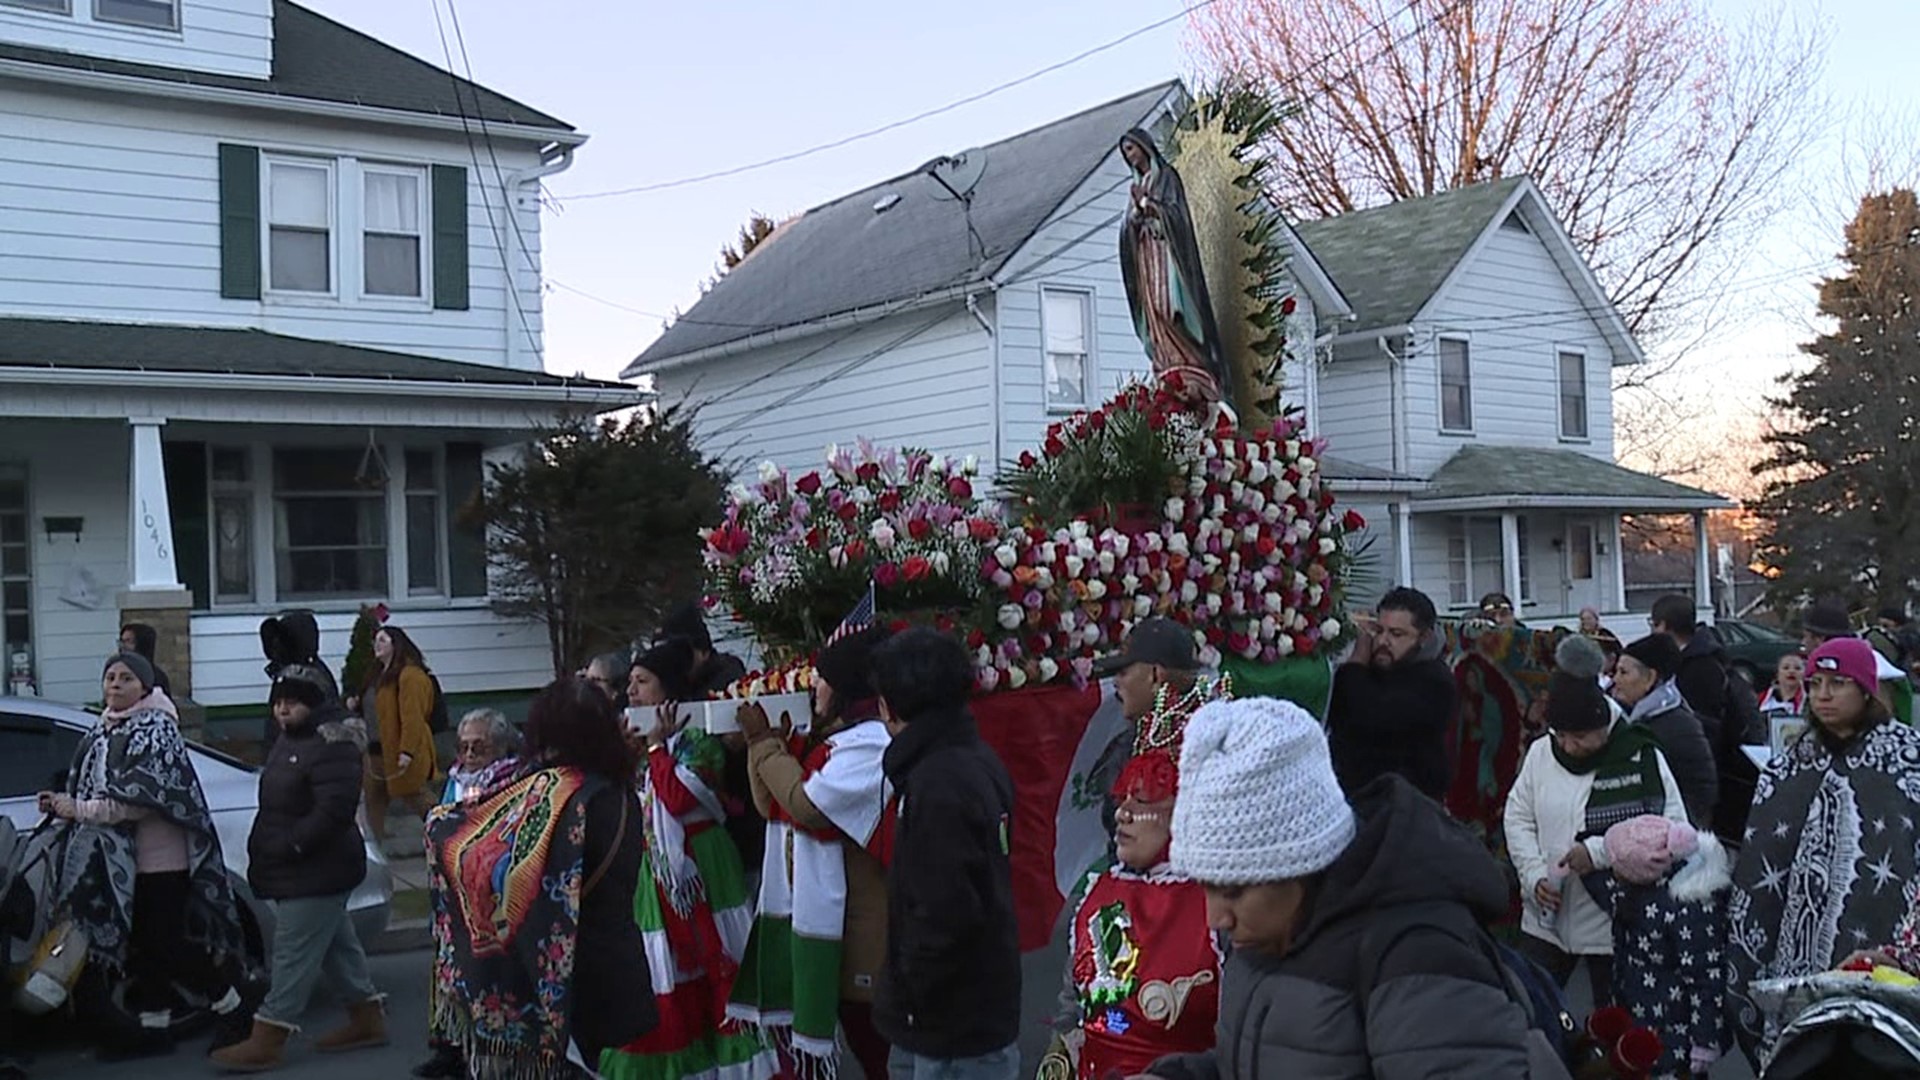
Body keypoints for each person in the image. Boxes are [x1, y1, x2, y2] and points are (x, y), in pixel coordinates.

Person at [1143, 696, 1536, 1079]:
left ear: (1299, 862)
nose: (1215, 918)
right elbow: (1274, 1056)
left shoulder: (1419, 951)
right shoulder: (1269, 928)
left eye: (1233, 891)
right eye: (1206, 888)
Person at [426, 678, 655, 1077]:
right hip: (602, 978)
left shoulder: (527, 793)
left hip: (519, 987)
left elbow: (451, 826)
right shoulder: (609, 795)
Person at [40, 653, 249, 1059]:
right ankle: (153, 1033)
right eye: (110, 677)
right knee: (144, 950)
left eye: (126, 678)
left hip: (161, 860)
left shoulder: (155, 730)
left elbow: (141, 800)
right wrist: (62, 803)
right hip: (121, 862)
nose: (115, 685)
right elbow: (91, 784)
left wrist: (77, 809)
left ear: (146, 687)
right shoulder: (104, 727)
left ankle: (234, 1009)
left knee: (167, 946)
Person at [1727, 636, 1920, 1063]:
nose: (1823, 695)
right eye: (1814, 684)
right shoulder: (1789, 764)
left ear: (1867, 690)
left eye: (1838, 683)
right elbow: (1762, 859)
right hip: (1797, 958)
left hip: (1884, 951)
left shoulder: (1909, 760)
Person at [599, 639, 774, 1080]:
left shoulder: (698, 737)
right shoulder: (637, 742)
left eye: (642, 683)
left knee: (719, 960)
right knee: (666, 970)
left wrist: (658, 751)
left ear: (668, 691)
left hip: (704, 865)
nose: (632, 694)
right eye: (630, 684)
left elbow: (679, 797)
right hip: (655, 868)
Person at [1040, 673, 1227, 1080]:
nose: (1123, 813)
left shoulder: (1224, 903)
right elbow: (1073, 1009)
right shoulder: (1097, 889)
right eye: (1122, 797)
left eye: (1141, 800)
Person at [730, 627, 894, 1080]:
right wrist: (763, 748)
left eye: (822, 678)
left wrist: (765, 744)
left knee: (880, 1056)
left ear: (846, 689)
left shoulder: (871, 745)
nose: (812, 687)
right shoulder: (830, 744)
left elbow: (806, 805)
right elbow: (772, 806)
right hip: (827, 923)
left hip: (862, 930)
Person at [211, 664, 384, 1071]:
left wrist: (292, 843)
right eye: (278, 703)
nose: (282, 710)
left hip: (317, 867)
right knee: (338, 947)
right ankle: (367, 1019)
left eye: (291, 702)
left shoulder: (332, 743)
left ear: (311, 704)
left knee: (292, 951)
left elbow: (335, 809)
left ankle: (268, 1036)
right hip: (301, 864)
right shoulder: (290, 740)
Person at [871, 628, 1020, 1079]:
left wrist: (911, 998)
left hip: (950, 1025)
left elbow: (944, 911)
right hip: (973, 1009)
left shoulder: (938, 784)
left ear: (890, 705)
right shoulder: (971, 758)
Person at [1503, 667, 1686, 1007]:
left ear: (1604, 727)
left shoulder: (1641, 756)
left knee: (1614, 1025)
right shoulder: (1542, 753)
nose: (1569, 747)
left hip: (1614, 924)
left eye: (1581, 737)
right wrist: (1533, 876)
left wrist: (1599, 852)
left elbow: (1672, 831)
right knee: (1531, 1013)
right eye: (1561, 735)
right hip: (1545, 920)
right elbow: (1518, 817)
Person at [1579, 816, 1732, 1080]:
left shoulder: (1691, 910)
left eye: (1617, 868)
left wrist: (1704, 1044)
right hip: (1637, 1020)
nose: (1612, 873)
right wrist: (1585, 854)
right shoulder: (1639, 891)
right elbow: (1605, 888)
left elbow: (1706, 978)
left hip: (1673, 1036)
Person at [1118, 127, 1232, 409]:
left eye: (1131, 148)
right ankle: (1168, 362)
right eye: (1125, 152)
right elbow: (1126, 227)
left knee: (1169, 307)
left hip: (1168, 255)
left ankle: (1192, 361)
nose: (1129, 156)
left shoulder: (1166, 176)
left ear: (1144, 147)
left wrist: (1148, 205)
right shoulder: (1137, 183)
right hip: (1146, 254)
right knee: (1153, 311)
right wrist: (1134, 216)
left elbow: (1177, 216)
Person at [1648, 595, 1764, 844]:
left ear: (1665, 626)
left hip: (1717, 777)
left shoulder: (1700, 667)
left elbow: (1707, 730)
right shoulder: (1696, 659)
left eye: (1654, 624)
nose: (1652, 630)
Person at [1326, 586, 1456, 800]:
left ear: (1424, 637)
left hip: (1407, 808)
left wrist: (1358, 659)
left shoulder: (1435, 681)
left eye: (1396, 634)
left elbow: (1372, 714)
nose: (1383, 641)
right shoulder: (1375, 669)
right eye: (1379, 631)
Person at [1090, 617, 1203, 836]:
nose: (1116, 682)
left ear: (1155, 676)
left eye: (1123, 672)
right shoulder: (1208, 735)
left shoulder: (1168, 751)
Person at [1610, 634, 1718, 827]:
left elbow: (1701, 792)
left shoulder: (1677, 725)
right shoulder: (1634, 716)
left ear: (1650, 678)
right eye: (1615, 672)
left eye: (1623, 672)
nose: (1615, 680)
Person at [360, 625, 438, 850]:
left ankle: (450, 832)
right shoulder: (376, 675)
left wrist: (407, 751)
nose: (377, 644)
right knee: (373, 801)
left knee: (416, 795)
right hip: (375, 750)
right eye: (375, 640)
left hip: (399, 751)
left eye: (383, 640)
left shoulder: (409, 676)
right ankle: (373, 850)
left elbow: (412, 717)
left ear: (397, 644)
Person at [437, 708, 521, 806]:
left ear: (500, 746)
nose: (469, 754)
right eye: (464, 747)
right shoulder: (455, 778)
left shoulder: (514, 778)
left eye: (478, 747)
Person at [118, 622, 174, 699]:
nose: (123, 646)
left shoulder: (156, 677)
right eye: (122, 641)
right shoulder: (116, 672)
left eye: (129, 641)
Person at [1759, 652, 1806, 719]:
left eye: (1797, 668)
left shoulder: (1809, 702)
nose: (1791, 671)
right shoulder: (1762, 698)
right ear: (1777, 674)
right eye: (1786, 668)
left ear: (1803, 674)